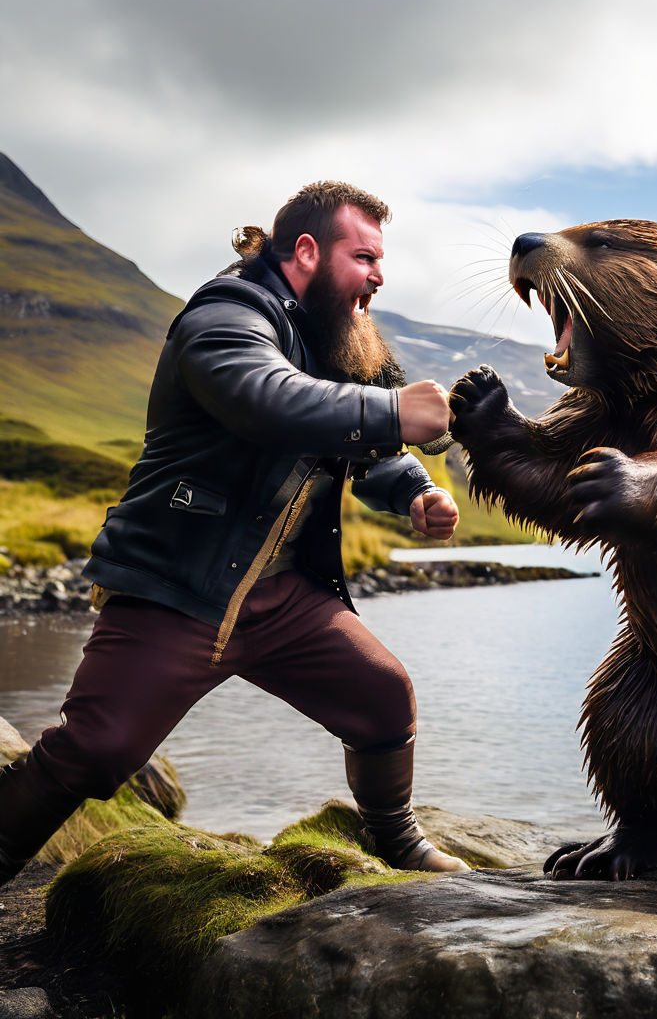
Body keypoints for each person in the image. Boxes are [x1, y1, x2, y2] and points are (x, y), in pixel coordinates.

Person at [0, 181, 469, 883]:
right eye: (364, 256)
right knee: (97, 749)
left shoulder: (333, 335)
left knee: (381, 696)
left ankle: (395, 840)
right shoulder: (225, 315)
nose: (379, 275)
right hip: (177, 586)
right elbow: (266, 400)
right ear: (307, 251)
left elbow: (359, 445)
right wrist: (393, 410)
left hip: (283, 597)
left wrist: (417, 491)